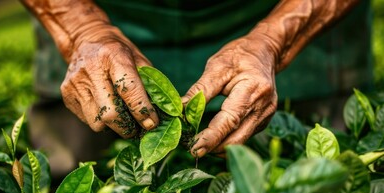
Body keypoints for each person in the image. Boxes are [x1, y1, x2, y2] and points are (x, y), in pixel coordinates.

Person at [20, 0, 373, 176]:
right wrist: (83, 30)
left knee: (319, 181)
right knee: (78, 175)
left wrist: (272, 40)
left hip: (283, 11)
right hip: (103, 12)